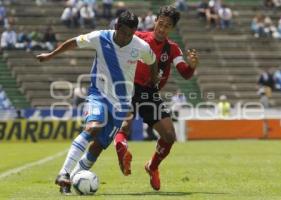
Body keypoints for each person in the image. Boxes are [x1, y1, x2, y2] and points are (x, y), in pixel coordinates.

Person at [74, 6, 199, 191]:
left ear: (172, 29)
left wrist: (192, 66)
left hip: (150, 93)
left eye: (167, 26)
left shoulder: (172, 49)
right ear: (155, 21)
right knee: (125, 125)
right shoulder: (137, 37)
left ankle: (152, 166)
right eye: (161, 23)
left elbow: (185, 73)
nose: (162, 28)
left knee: (170, 136)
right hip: (128, 89)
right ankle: (121, 148)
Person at [36, 10, 158, 194]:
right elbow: (74, 42)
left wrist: (154, 79)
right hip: (98, 94)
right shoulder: (100, 37)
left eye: (131, 34)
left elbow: (153, 60)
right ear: (117, 27)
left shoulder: (139, 45)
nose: (126, 37)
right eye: (124, 32)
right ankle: (64, 173)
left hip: (122, 104)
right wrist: (51, 55)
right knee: (93, 127)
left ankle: (70, 183)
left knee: (99, 145)